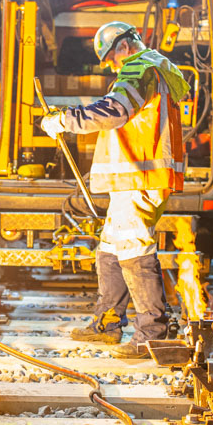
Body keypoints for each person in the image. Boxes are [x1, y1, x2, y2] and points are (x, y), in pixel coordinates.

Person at [40, 21, 189, 358]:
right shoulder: (157, 70)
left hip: (141, 175)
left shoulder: (139, 68)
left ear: (123, 46)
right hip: (137, 176)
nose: (111, 66)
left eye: (110, 58)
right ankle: (107, 324)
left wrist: (63, 120)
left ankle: (152, 334)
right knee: (110, 247)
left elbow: (114, 110)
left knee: (134, 247)